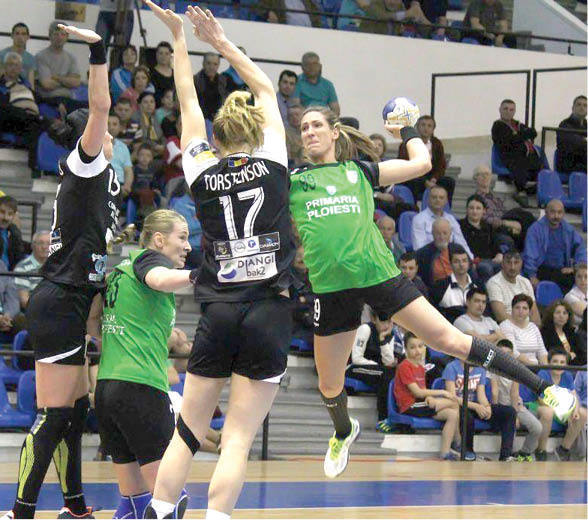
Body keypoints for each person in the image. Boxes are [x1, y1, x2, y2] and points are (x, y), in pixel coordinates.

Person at [288, 93, 575, 480]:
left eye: (316, 125)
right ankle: (343, 431)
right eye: (304, 127)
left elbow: (421, 163)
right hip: (331, 290)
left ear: (334, 132)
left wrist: (406, 127)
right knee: (328, 383)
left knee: (451, 340)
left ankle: (545, 389)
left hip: (380, 277)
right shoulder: (294, 181)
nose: (309, 132)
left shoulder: (359, 172)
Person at [142, 3, 296, 519]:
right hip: (268, 309)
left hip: (219, 310)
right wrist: (222, 43)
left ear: (218, 139)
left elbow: (188, 101)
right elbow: (266, 88)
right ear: (255, 132)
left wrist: (179, 39)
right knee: (237, 438)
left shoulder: (203, 172)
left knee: (187, 430)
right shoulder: (273, 160)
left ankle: (160, 511)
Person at [1, 25, 120, 520]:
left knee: (74, 413)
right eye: (104, 132)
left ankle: (74, 505)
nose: (110, 136)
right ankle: (20, 511)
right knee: (53, 415)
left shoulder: (101, 179)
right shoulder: (85, 163)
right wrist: (97, 49)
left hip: (74, 298)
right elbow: (100, 106)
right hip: (58, 298)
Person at [96, 210, 194, 519]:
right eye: (183, 237)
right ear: (159, 240)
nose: (189, 246)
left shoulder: (120, 272)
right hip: (141, 389)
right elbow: (160, 279)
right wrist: (200, 275)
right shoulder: (149, 262)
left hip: (107, 388)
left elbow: (94, 323)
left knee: (132, 504)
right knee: (169, 499)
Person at [393, 332, 459, 459]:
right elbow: (417, 392)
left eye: (420, 346)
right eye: (412, 347)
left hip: (420, 405)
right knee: (454, 403)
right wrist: (442, 392)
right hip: (409, 407)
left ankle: (445, 452)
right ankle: (459, 442)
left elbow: (423, 391)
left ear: (425, 347)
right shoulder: (404, 366)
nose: (417, 350)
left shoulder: (420, 368)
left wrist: (429, 398)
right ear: (406, 349)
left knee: (452, 414)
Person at [443, 356, 517, 461]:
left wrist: (487, 407)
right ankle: (468, 450)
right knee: (467, 417)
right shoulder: (451, 367)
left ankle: (506, 455)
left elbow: (481, 395)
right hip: (457, 406)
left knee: (509, 412)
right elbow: (452, 397)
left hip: (475, 405)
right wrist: (476, 406)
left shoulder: (480, 369)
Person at [488, 339, 543, 461]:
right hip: (501, 408)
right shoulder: (492, 368)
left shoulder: (515, 369)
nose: (505, 356)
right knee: (510, 427)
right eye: (501, 353)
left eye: (508, 353)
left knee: (537, 427)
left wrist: (516, 415)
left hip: (516, 406)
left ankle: (524, 453)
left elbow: (514, 394)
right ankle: (508, 456)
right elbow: (494, 393)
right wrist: (496, 414)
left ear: (512, 355)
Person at [345, 308, 397, 428]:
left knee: (392, 373)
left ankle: (390, 417)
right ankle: (382, 418)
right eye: (383, 321)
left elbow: (388, 362)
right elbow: (356, 358)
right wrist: (378, 366)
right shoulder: (365, 329)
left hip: (376, 371)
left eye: (389, 321)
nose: (387, 325)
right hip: (354, 369)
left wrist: (383, 340)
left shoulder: (389, 334)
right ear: (374, 319)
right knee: (385, 373)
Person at [533, 349, 586, 461]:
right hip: (539, 406)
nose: (559, 365)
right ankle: (541, 450)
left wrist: (575, 410)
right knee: (548, 412)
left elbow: (574, 396)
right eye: (555, 361)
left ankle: (563, 449)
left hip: (560, 410)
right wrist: (563, 411)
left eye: (562, 362)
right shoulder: (543, 373)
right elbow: (540, 399)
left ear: (566, 364)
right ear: (549, 362)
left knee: (583, 413)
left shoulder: (567, 375)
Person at [524, 199, 587, 294]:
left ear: (563, 213)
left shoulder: (568, 230)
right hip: (542, 269)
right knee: (567, 282)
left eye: (559, 212)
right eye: (552, 212)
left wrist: (576, 268)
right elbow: (530, 255)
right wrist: (532, 276)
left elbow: (580, 249)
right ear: (546, 212)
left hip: (562, 270)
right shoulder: (535, 230)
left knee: (579, 278)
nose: (556, 216)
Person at [491, 99, 542, 207]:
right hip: (510, 158)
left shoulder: (517, 124)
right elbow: (509, 142)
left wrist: (518, 135)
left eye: (511, 109)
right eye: (505, 109)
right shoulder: (497, 126)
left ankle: (534, 193)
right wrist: (522, 135)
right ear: (500, 110)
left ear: (514, 111)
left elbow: (533, 132)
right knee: (519, 165)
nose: (508, 112)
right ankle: (521, 193)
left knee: (543, 172)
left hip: (528, 158)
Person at [473, 165, 535, 249]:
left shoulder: (496, 199)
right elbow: (485, 220)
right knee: (520, 215)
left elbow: (505, 214)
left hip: (505, 225)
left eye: (487, 174)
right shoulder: (476, 200)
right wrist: (506, 223)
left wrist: (510, 224)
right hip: (493, 230)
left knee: (526, 216)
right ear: (475, 178)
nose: (485, 177)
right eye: (481, 174)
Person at [0, 54, 44, 171]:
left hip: (25, 122)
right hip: (7, 121)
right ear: (4, 67)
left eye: (16, 65)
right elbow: (4, 107)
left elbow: (42, 99)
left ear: (20, 69)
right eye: (10, 64)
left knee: (38, 126)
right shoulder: (1, 84)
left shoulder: (25, 86)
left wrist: (59, 103)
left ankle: (36, 168)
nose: (13, 68)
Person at [399, 115, 454, 203]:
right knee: (415, 182)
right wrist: (424, 181)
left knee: (449, 182)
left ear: (433, 129)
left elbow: (441, 165)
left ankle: (445, 207)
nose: (426, 128)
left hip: (431, 176)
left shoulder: (437, 144)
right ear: (417, 127)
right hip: (414, 176)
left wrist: (434, 178)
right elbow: (406, 165)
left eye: (429, 126)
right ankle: (413, 206)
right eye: (423, 125)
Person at [459, 194, 513, 284]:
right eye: (471, 208)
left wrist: (499, 254)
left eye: (478, 208)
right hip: (473, 261)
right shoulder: (460, 226)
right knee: (486, 268)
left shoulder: (488, 226)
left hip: (490, 260)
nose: (474, 211)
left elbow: (495, 243)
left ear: (484, 211)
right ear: (467, 210)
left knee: (506, 267)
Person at [35, 21, 84, 113]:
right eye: (56, 34)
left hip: (69, 98)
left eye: (63, 34)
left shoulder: (71, 58)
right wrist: (67, 81)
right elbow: (47, 84)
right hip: (49, 98)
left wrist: (57, 77)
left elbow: (76, 82)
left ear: (67, 37)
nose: (60, 37)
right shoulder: (41, 56)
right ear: (50, 36)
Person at [411, 185, 473, 256]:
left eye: (441, 197)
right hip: (429, 258)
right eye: (434, 197)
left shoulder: (451, 219)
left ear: (446, 201)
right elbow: (419, 248)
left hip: (451, 258)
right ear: (428, 199)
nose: (438, 200)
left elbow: (462, 243)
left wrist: (470, 259)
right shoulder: (419, 219)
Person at [486, 250, 541, 326]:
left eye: (516, 263)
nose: (512, 267)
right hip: (507, 327)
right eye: (508, 262)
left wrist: (534, 329)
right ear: (502, 264)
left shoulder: (526, 282)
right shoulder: (494, 283)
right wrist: (523, 327)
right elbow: (500, 316)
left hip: (528, 328)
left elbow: (534, 314)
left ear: (521, 264)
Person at [430, 246, 478, 323]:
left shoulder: (478, 284)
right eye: (456, 261)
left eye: (464, 261)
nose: (461, 264)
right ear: (450, 264)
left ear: (469, 264)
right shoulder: (440, 286)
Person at [499, 294, 548, 365]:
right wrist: (534, 366)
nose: (520, 311)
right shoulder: (505, 325)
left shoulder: (533, 327)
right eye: (517, 307)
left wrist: (546, 368)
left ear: (529, 312)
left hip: (536, 367)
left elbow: (542, 352)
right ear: (512, 309)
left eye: (525, 308)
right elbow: (513, 353)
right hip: (516, 367)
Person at [291, 52, 340, 116]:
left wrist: (329, 119)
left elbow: (336, 109)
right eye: (308, 64)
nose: (312, 67)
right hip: (305, 116)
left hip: (324, 117)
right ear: (302, 67)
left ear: (320, 66)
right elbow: (296, 105)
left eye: (314, 64)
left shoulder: (328, 85)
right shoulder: (296, 82)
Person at [414, 218, 458, 288]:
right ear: (432, 234)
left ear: (450, 233)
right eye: (438, 233)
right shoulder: (422, 254)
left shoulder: (458, 249)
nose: (442, 237)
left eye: (445, 233)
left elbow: (470, 272)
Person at [540, 300, 585, 365]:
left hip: (574, 366)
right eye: (558, 313)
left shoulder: (571, 332)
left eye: (565, 313)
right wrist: (569, 356)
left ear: (568, 316)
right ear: (551, 315)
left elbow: (582, 355)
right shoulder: (545, 333)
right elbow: (550, 353)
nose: (561, 316)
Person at [13, 230, 50, 310]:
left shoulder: (59, 267)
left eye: (48, 243)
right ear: (32, 246)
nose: (44, 247)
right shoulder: (22, 268)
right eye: (40, 243)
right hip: (35, 312)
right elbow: (24, 301)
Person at [193, 52, 228, 125]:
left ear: (218, 65)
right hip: (199, 120)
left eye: (215, 64)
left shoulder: (223, 81)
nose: (211, 67)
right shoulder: (195, 80)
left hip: (219, 121)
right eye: (208, 63)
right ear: (203, 64)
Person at [556, 95, 587, 174]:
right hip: (569, 164)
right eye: (579, 104)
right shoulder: (564, 124)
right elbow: (574, 143)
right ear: (573, 108)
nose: (582, 107)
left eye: (585, 105)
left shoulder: (586, 125)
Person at [0, 22, 36, 88]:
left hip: (23, 91)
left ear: (28, 37)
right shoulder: (2, 55)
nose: (20, 37)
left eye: (23, 34)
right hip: (5, 90)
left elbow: (31, 85)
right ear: (12, 36)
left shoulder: (31, 58)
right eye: (17, 33)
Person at [107, 111, 134, 197]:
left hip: (120, 185)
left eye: (115, 124)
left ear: (120, 128)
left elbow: (128, 170)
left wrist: (127, 186)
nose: (111, 127)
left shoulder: (123, 147)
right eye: (107, 124)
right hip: (103, 185)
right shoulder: (95, 145)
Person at [132, 91, 166, 158]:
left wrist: (164, 145)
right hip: (142, 149)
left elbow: (161, 135)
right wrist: (155, 146)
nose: (149, 105)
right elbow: (141, 138)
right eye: (145, 102)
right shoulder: (135, 118)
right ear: (139, 105)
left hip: (157, 149)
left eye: (151, 102)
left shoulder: (154, 117)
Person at [0, 196, 26, 270]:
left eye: (10, 214)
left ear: (14, 216)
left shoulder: (14, 232)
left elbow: (19, 256)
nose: (6, 217)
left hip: (11, 274)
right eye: (2, 212)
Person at [0, 259, 21, 344]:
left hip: (5, 316)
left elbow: (12, 295)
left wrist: (7, 315)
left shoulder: (1, 265)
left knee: (23, 323)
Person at [257, 0, 322, 28]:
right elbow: (260, 8)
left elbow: (316, 15)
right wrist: (269, 12)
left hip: (310, 32)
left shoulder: (307, 1)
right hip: (287, 33)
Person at [564, 263, 587, 329]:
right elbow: (586, 313)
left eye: (586, 276)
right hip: (579, 331)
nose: (583, 280)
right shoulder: (570, 296)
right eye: (579, 276)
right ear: (575, 278)